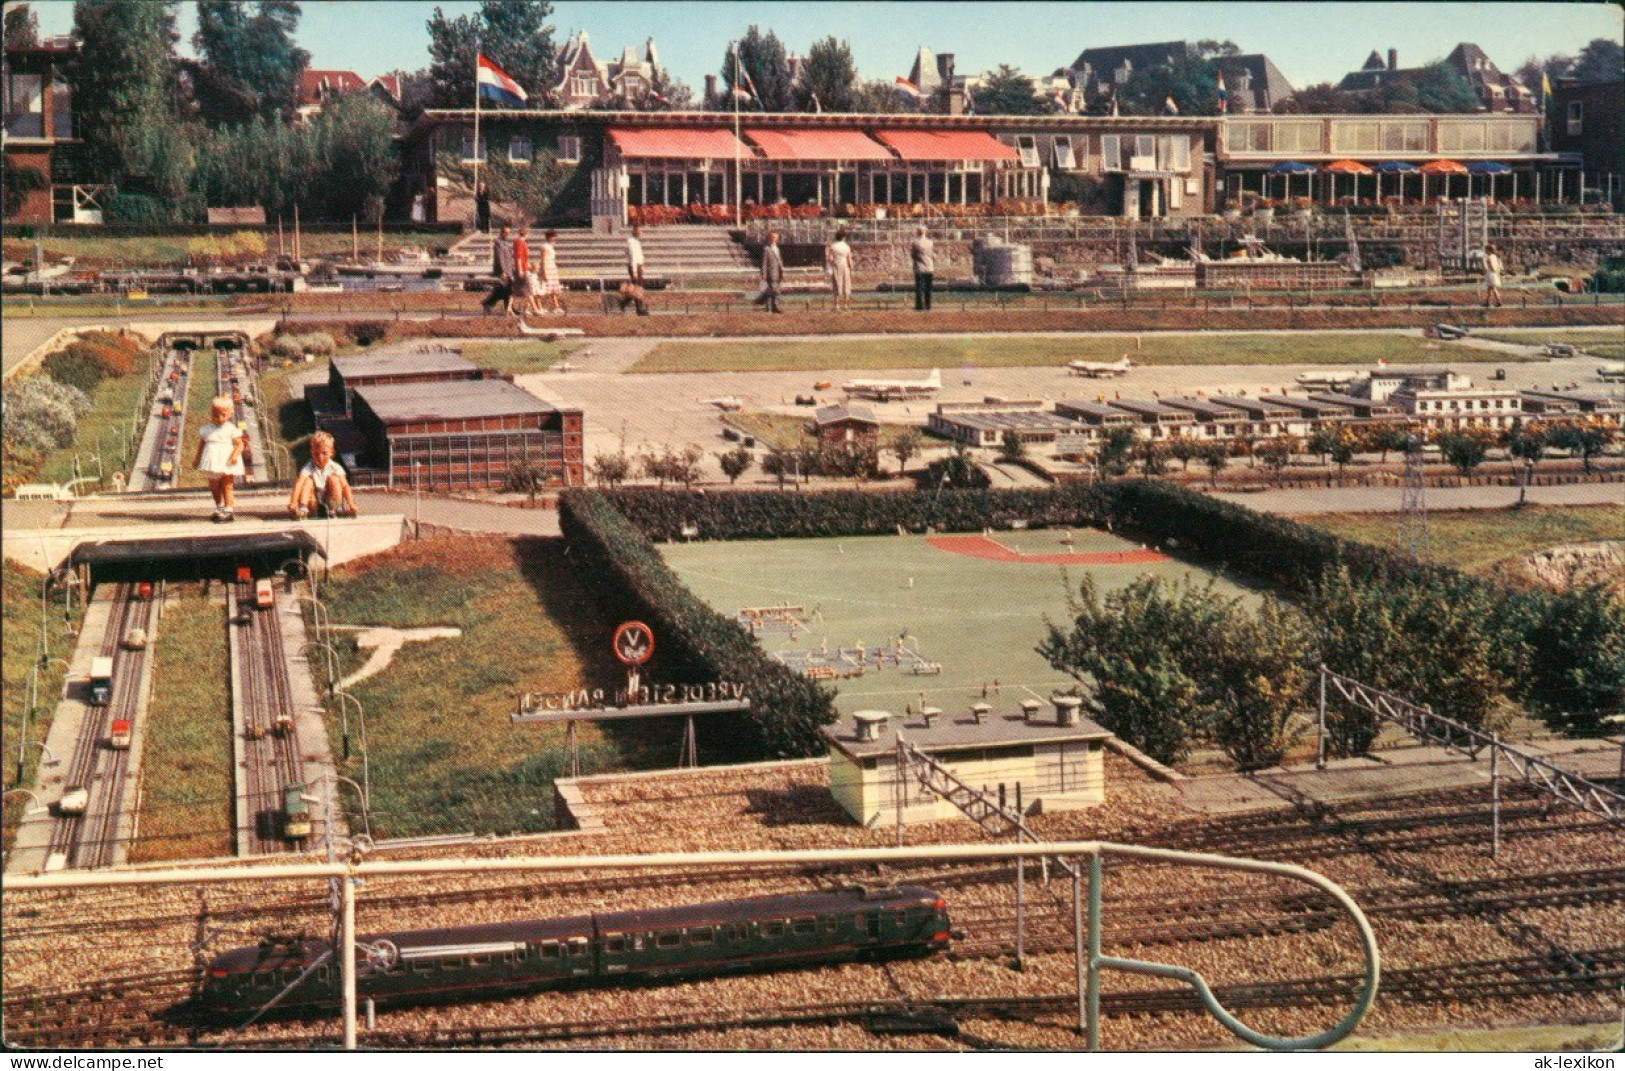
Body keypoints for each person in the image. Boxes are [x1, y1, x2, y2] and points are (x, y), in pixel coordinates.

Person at [194, 396, 246, 522]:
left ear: (229, 414)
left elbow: (239, 444)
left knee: (227, 484)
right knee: (214, 484)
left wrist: (234, 456)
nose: (219, 418)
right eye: (216, 415)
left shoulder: (231, 429)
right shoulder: (207, 429)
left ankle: (229, 508)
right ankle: (219, 505)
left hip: (226, 461)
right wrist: (197, 458)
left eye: (223, 415)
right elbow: (202, 444)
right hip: (212, 461)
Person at [288, 430, 357, 518]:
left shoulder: (335, 467)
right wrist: (293, 502)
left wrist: (351, 503)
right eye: (316, 454)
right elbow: (299, 483)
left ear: (332, 453)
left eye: (324, 453)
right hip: (313, 500)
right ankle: (304, 509)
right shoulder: (309, 466)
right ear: (311, 453)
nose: (320, 457)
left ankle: (332, 509)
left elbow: (345, 486)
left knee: (335, 479)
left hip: (330, 498)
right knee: (307, 481)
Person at [481, 225, 514, 314]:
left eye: (509, 233)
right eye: (506, 232)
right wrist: (502, 271)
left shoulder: (506, 242)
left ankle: (506, 307)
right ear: (502, 232)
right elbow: (499, 258)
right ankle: (506, 308)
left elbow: (509, 257)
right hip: (503, 270)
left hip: (509, 269)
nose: (508, 234)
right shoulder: (498, 243)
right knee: (506, 289)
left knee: (504, 289)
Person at [533, 229, 564, 315]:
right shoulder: (544, 246)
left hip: (552, 268)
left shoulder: (550, 246)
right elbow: (543, 260)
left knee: (553, 290)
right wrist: (544, 273)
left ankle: (556, 306)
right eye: (553, 237)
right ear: (549, 237)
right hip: (546, 268)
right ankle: (538, 307)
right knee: (542, 289)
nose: (554, 239)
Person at [826, 228, 853, 311]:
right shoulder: (847, 247)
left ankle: (836, 306)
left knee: (837, 285)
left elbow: (830, 258)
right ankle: (845, 305)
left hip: (836, 266)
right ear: (844, 237)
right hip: (845, 266)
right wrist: (851, 268)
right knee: (846, 284)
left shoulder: (833, 246)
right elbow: (849, 259)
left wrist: (832, 264)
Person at [758, 230, 784, 313]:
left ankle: (765, 304)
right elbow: (764, 262)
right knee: (775, 290)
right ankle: (774, 306)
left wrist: (782, 271)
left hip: (778, 272)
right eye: (772, 237)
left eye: (775, 237)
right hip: (771, 272)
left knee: (773, 290)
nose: (774, 239)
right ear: (769, 238)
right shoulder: (767, 249)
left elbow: (779, 261)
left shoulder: (777, 248)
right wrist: (764, 273)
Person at [910, 226, 934, 312]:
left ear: (918, 232)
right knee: (928, 287)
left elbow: (913, 254)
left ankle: (919, 305)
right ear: (925, 232)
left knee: (919, 287)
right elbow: (932, 253)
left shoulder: (915, 243)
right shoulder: (930, 242)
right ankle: (928, 305)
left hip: (919, 267)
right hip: (929, 267)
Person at [510, 226, 531, 316]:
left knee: (517, 290)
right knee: (528, 289)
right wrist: (520, 270)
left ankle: (510, 308)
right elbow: (518, 257)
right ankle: (527, 308)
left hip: (523, 267)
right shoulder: (520, 242)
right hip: (521, 268)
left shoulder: (519, 241)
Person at [1482, 243, 1503, 308]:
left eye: (1486, 250)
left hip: (1491, 274)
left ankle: (1499, 301)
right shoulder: (1495, 257)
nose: (1485, 251)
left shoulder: (1489, 257)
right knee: (1489, 289)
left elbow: (1491, 266)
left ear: (1489, 250)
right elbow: (1498, 266)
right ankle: (1487, 302)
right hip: (1494, 273)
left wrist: (1493, 270)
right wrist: (1497, 272)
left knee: (1493, 288)